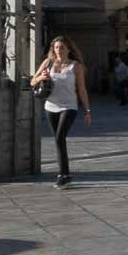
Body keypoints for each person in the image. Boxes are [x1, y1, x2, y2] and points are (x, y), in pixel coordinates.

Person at [30, 35, 90, 188]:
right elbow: (32, 81)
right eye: (56, 47)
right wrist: (41, 77)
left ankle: (62, 175)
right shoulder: (48, 63)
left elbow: (82, 89)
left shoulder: (76, 66)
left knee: (59, 138)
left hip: (69, 107)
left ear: (68, 49)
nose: (59, 50)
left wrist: (88, 110)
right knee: (59, 141)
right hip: (51, 106)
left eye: (62, 47)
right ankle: (66, 175)